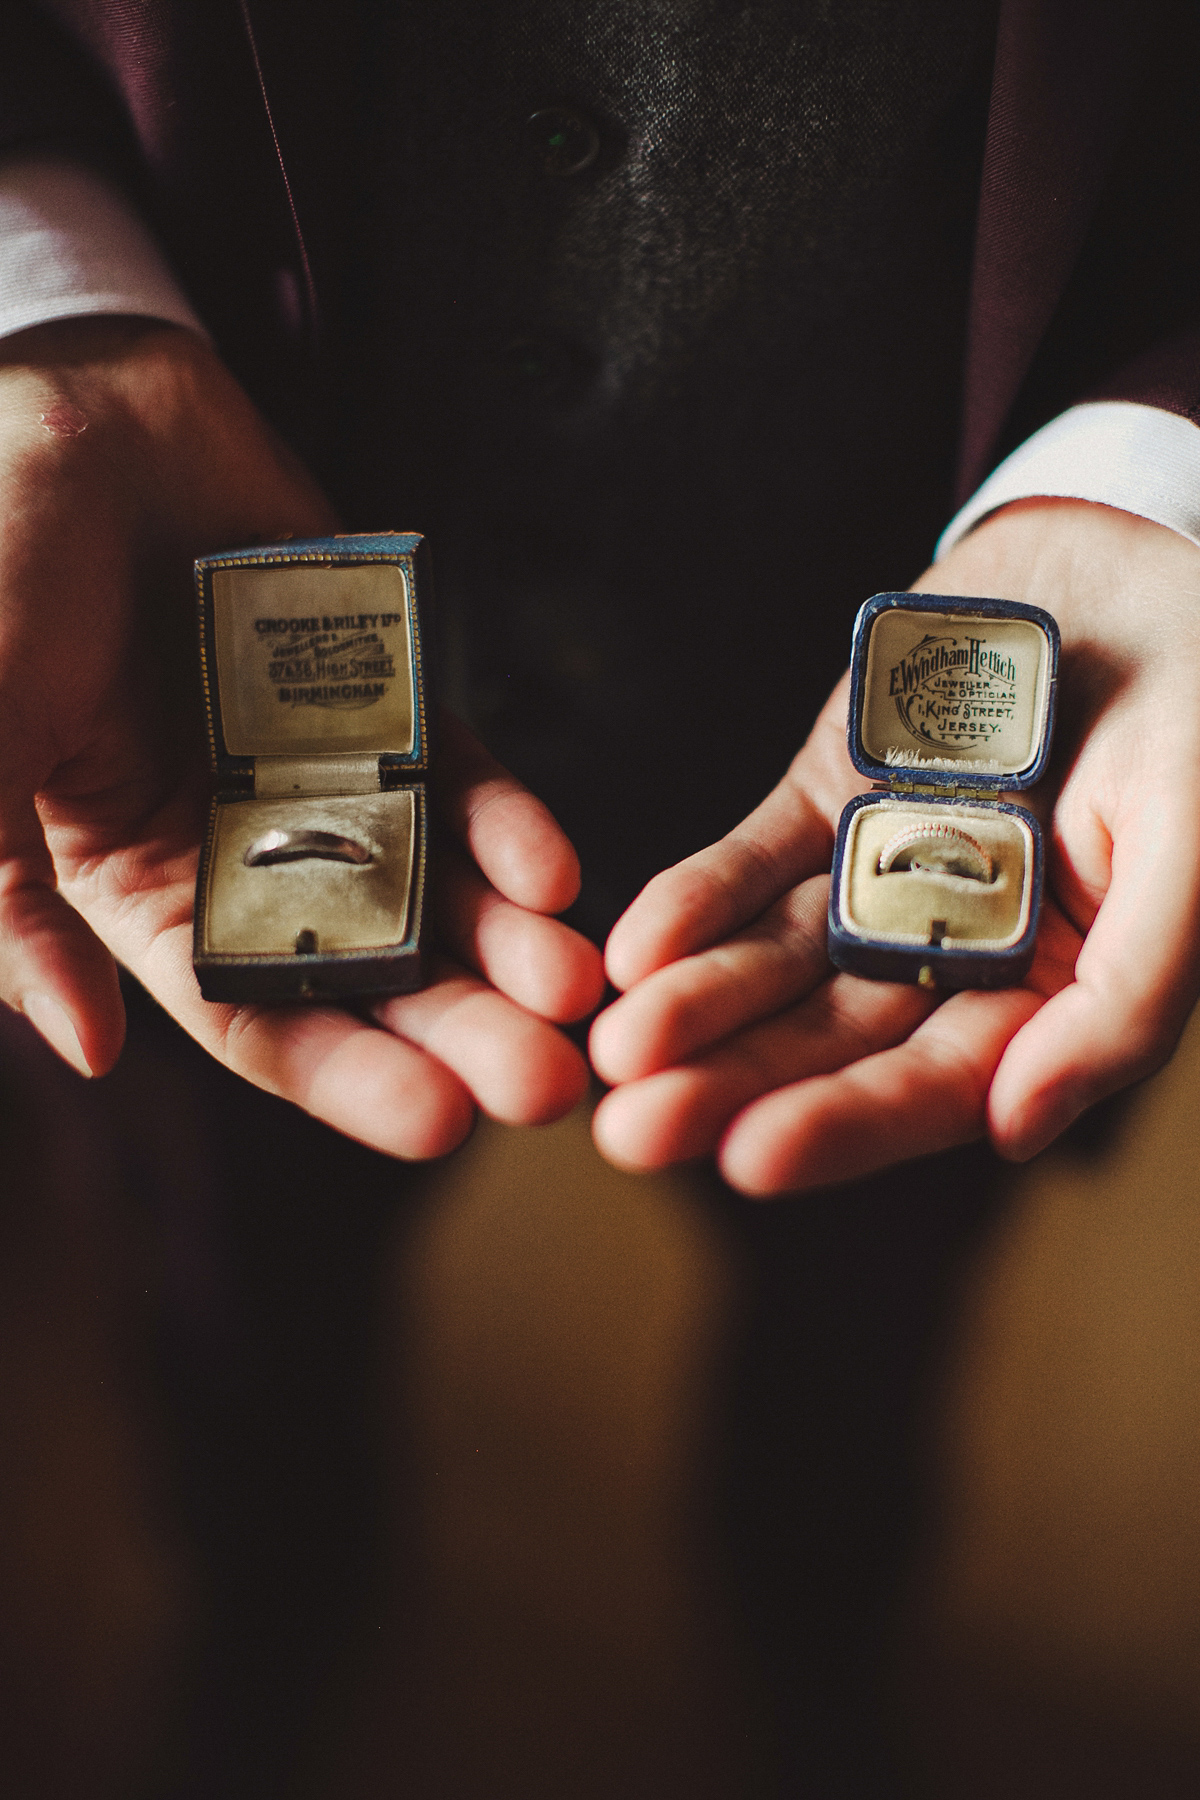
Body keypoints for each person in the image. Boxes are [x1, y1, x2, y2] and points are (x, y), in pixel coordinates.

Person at [3, 0, 1200, 1788]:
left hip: (934, 649)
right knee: (234, 1273)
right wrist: (36, 329)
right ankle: (269, 1585)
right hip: (179, 684)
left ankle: (817, 1617)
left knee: (862, 1301)